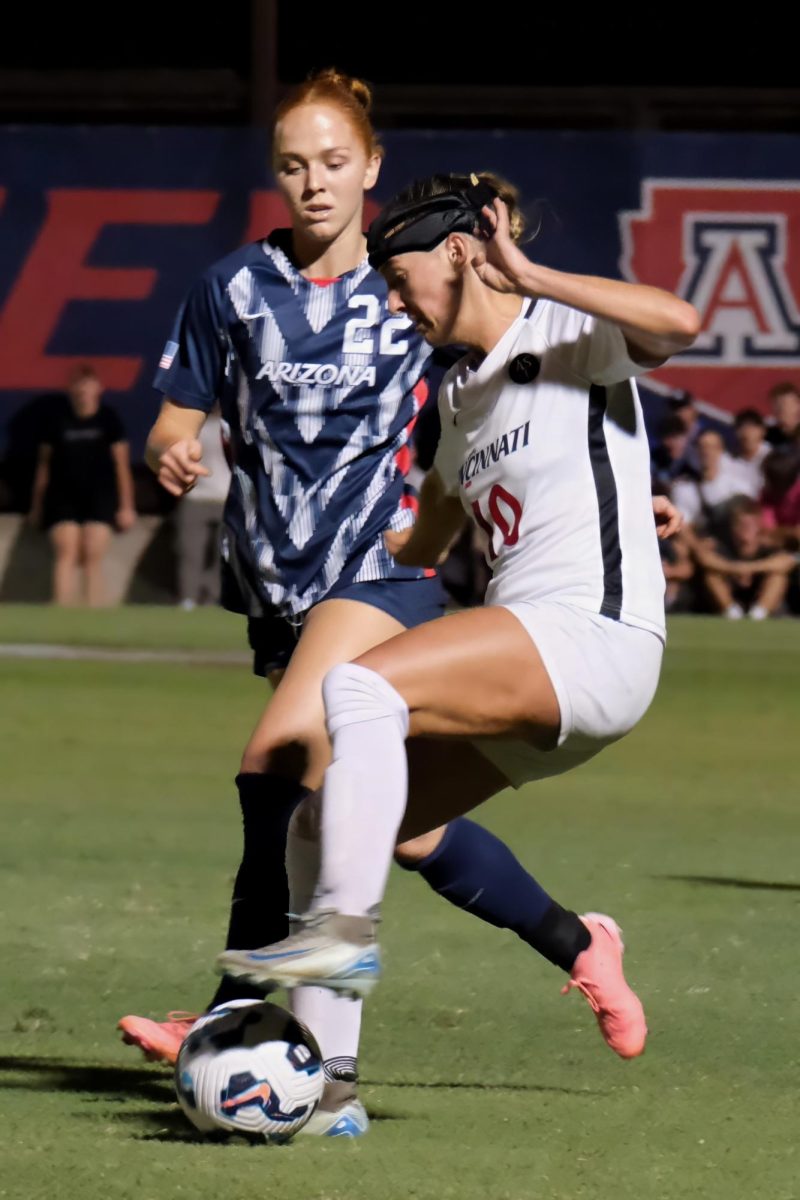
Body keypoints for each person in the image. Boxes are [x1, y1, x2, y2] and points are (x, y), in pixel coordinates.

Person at [118, 77, 678, 1138]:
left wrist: (603, 471)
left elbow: (668, 326)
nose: (312, 180)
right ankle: (339, 1080)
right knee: (358, 815)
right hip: (291, 584)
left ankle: (253, 1005)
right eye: (290, 163)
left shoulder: (540, 317)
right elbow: (440, 513)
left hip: (475, 617)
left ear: (372, 171)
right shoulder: (256, 299)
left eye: (332, 160)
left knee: (311, 734)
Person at [215, 175, 700, 1074]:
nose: (396, 305)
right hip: (542, 673)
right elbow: (425, 537)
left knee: (358, 690)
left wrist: (533, 273)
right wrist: (332, 516)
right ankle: (329, 1080)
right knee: (330, 827)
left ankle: (333, 943)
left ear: (459, 252)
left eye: (400, 281)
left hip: (590, 639)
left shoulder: (563, 328)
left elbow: (679, 322)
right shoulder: (452, 402)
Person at [28, 364, 136, 605]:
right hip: (62, 496)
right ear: (71, 389)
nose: (83, 391)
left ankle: (93, 612)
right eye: (78, 385)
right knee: (67, 552)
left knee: (92, 554)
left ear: (98, 388)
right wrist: (37, 506)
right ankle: (63, 611)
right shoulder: (57, 421)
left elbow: (122, 466)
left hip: (100, 496)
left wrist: (127, 506)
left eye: (88, 385)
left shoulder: (109, 420)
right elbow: (44, 467)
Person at [691, 495, 798, 620]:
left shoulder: (768, 544)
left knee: (779, 577)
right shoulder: (723, 543)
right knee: (712, 575)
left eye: (751, 525)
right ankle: (732, 613)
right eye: (741, 525)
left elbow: (787, 562)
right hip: (731, 590)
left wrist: (749, 568)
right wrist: (735, 569)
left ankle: (758, 615)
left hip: (759, 590)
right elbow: (705, 559)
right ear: (733, 527)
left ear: (759, 526)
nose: (746, 531)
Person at [174, 406, 231, 609]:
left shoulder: (234, 427)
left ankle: (213, 597)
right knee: (191, 552)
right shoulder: (193, 430)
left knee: (223, 557)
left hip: (226, 497)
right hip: (197, 497)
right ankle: (189, 598)